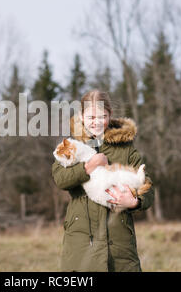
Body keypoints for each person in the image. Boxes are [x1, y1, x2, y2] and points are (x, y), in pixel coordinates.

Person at [51, 90, 154, 272]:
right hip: (81, 239)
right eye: (91, 116)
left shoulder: (126, 148)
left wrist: (135, 201)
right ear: (82, 116)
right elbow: (60, 179)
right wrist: (87, 167)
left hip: (119, 243)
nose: (96, 122)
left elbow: (148, 188)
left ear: (110, 115)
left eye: (102, 116)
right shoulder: (71, 146)